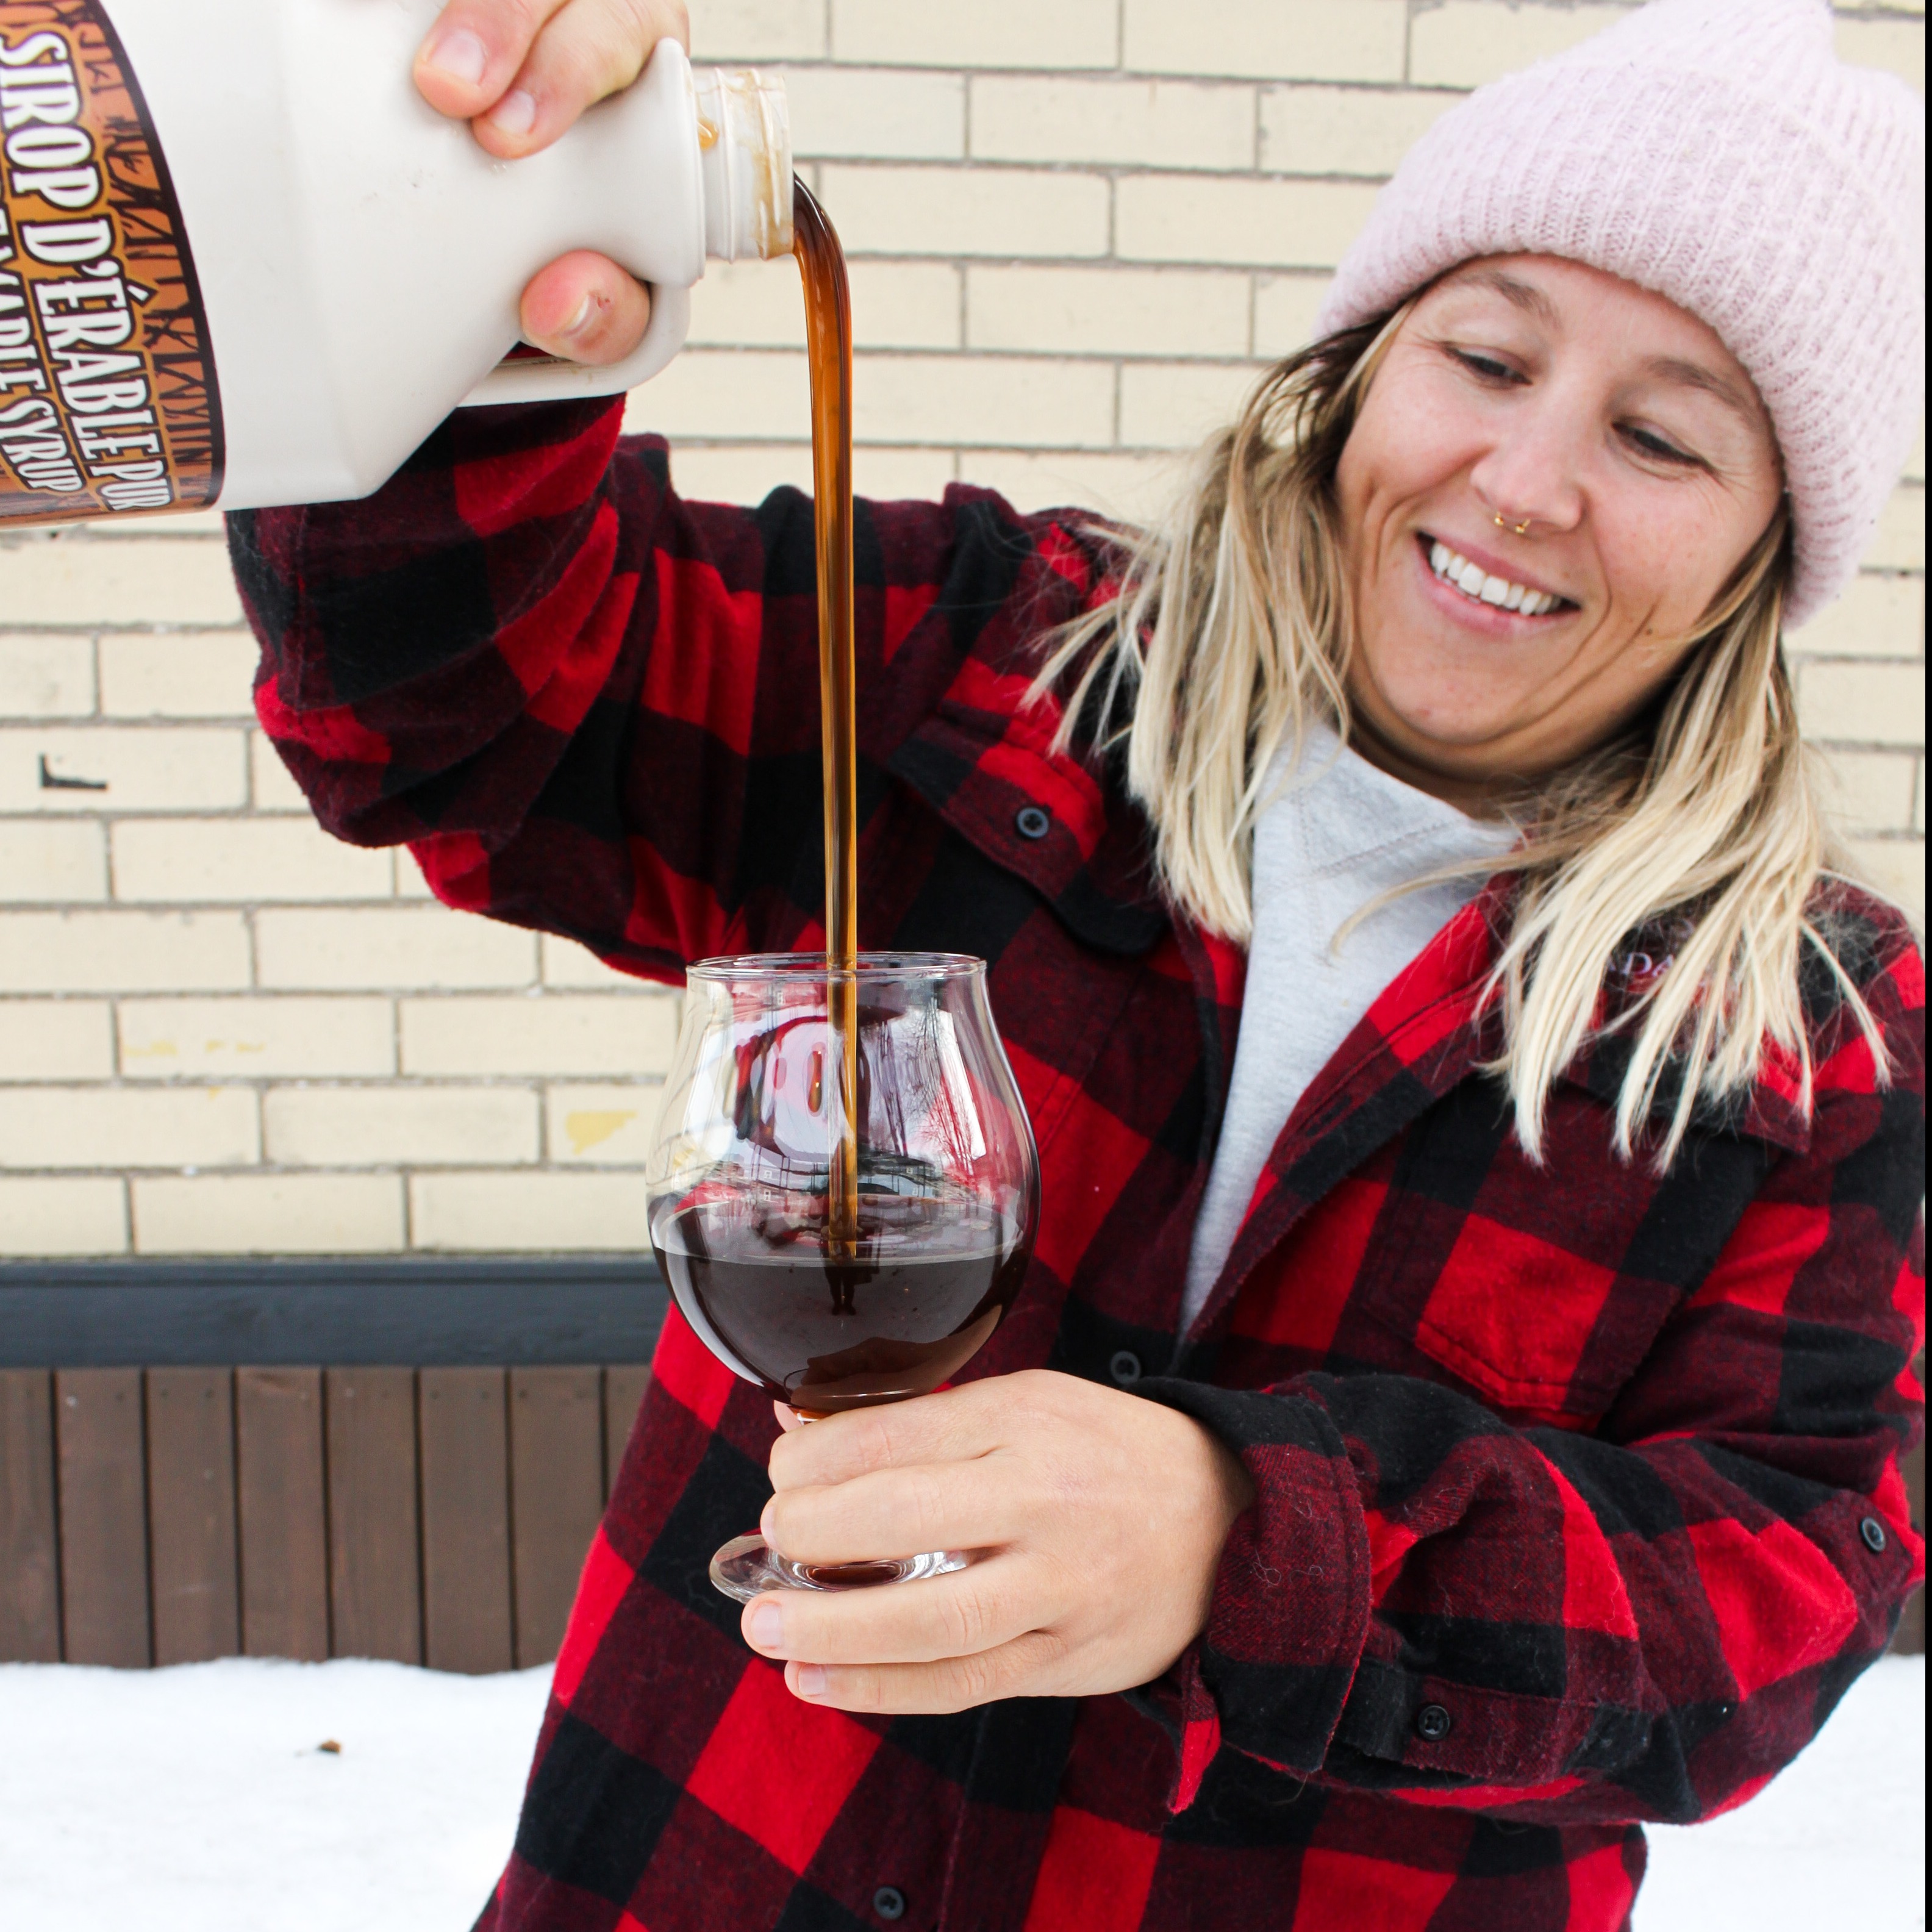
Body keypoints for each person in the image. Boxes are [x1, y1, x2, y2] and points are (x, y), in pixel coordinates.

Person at [228, 1, 1925, 1926]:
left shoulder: (1809, 1033)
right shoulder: (982, 664)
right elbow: (452, 710)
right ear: (1362, 372)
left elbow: (1773, 1602)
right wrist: (472, 297)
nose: (1529, 482)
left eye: (1659, 435)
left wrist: (1244, 1543)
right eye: (1486, 352)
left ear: (1765, 554)